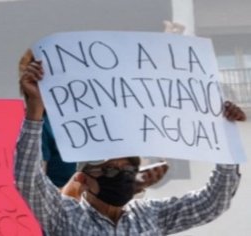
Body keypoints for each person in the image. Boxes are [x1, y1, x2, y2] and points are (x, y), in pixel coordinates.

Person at [15, 57, 245, 235]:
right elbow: (28, 178)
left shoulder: (151, 215)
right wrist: (35, 108)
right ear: (84, 179)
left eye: (129, 170)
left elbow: (213, 202)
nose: (123, 177)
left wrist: (226, 136)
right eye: (113, 170)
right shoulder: (64, 215)